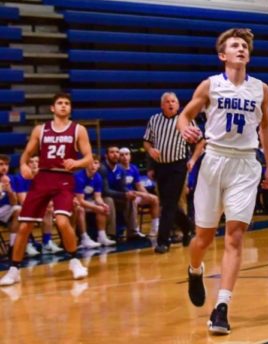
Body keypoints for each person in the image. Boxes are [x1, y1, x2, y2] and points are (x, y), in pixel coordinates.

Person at [177, 28, 268, 335]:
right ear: (223, 55)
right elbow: (185, 115)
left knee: (234, 237)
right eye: (235, 45)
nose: (241, 49)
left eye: (244, 45)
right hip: (214, 161)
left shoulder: (261, 89)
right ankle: (195, 270)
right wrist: (184, 128)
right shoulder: (210, 85)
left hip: (246, 163)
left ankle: (221, 307)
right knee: (203, 239)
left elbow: (267, 127)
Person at [0, 92, 92, 286]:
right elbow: (26, 153)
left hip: (64, 179)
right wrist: (24, 165)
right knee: (24, 225)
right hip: (42, 177)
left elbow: (89, 158)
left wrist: (76, 162)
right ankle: (14, 269)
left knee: (62, 221)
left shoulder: (78, 130)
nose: (64, 106)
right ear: (52, 108)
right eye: (60, 103)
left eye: (67, 103)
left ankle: (75, 261)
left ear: (70, 108)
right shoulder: (41, 130)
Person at [143, 91, 202, 253]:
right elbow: (147, 142)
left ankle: (163, 241)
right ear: (162, 105)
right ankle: (188, 227)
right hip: (161, 167)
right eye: (167, 101)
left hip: (178, 166)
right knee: (167, 203)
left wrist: (193, 160)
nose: (171, 104)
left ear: (178, 104)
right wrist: (151, 152)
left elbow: (201, 142)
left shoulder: (185, 120)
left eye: (174, 101)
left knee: (168, 204)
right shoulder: (154, 120)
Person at [114, 148, 160, 241]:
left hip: (134, 194)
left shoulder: (133, 168)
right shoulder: (117, 169)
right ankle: (135, 229)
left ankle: (155, 228)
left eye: (127, 154)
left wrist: (146, 195)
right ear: (119, 157)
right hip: (124, 196)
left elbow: (138, 185)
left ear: (130, 156)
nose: (125, 157)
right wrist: (139, 193)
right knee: (133, 200)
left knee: (154, 199)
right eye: (122, 155)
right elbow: (121, 188)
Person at [73, 158, 115, 248]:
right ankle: (84, 238)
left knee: (102, 207)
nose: (93, 166)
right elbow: (80, 200)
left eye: (96, 163)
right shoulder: (78, 176)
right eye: (90, 163)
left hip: (86, 201)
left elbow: (97, 197)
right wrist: (95, 207)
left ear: (99, 165)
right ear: (85, 165)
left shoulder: (98, 177)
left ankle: (102, 236)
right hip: (74, 202)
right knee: (80, 209)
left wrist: (102, 204)